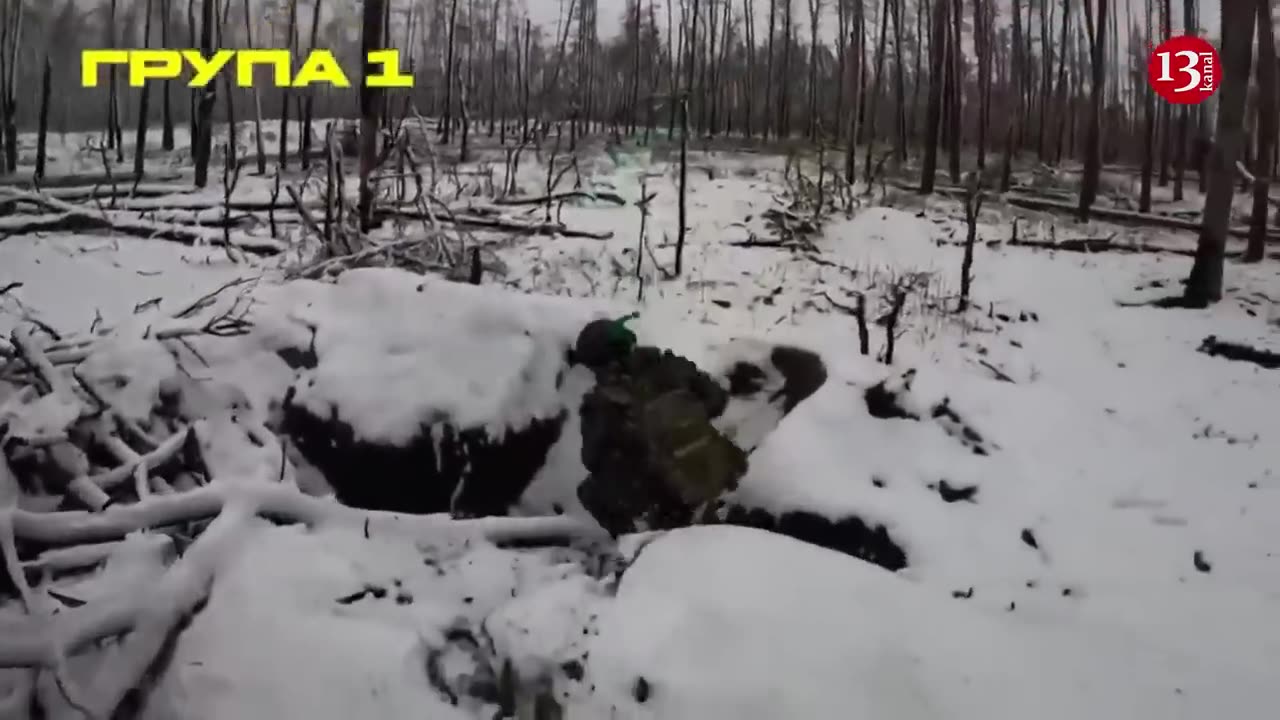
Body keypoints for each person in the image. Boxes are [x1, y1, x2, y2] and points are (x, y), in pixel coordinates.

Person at [572, 315, 748, 536]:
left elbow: (591, 458)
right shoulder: (671, 365)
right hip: (721, 471)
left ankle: (634, 543)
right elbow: (717, 400)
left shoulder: (602, 402)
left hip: (669, 495)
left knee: (590, 491)